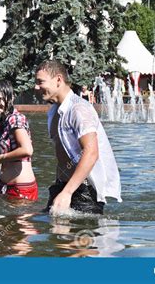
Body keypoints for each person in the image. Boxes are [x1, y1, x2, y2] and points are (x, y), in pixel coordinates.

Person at [34, 60, 121, 215]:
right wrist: (61, 188)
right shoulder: (54, 111)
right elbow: (63, 154)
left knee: (75, 236)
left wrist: (67, 192)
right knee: (53, 234)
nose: (36, 87)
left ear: (58, 80)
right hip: (62, 186)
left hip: (83, 193)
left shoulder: (78, 109)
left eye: (40, 82)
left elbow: (91, 152)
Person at [0, 80, 38, 201]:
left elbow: (27, 150)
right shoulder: (2, 122)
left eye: (0, 99)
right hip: (5, 187)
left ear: (11, 98)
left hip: (21, 188)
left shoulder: (15, 119)